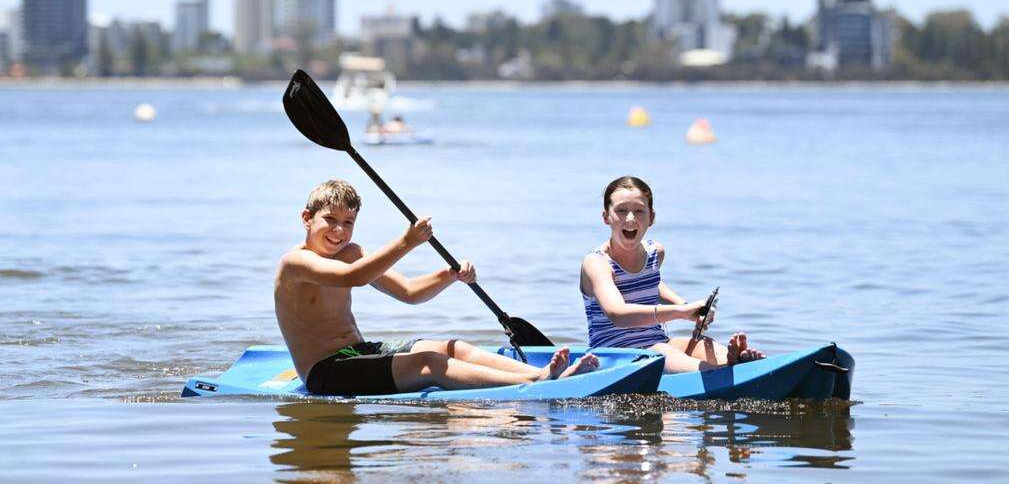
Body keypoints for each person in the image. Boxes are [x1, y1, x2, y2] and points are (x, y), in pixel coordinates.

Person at [275, 179, 599, 396]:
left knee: (450, 347)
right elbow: (353, 278)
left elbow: (410, 293)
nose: (339, 230)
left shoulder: (352, 253)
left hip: (359, 352)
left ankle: (535, 373)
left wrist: (449, 275)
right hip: (326, 373)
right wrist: (407, 241)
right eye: (330, 219)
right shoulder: (295, 263)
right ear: (307, 218)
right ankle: (536, 382)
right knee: (429, 363)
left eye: (348, 223)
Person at [579, 176, 765, 373]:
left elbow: (650, 284)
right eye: (621, 210)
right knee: (665, 352)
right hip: (613, 355)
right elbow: (617, 314)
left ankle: (736, 365)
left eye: (639, 211)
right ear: (606, 217)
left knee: (700, 344)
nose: (631, 218)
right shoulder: (596, 263)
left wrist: (688, 308)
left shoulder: (655, 253)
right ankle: (725, 372)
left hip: (658, 342)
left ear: (651, 218)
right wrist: (680, 313)